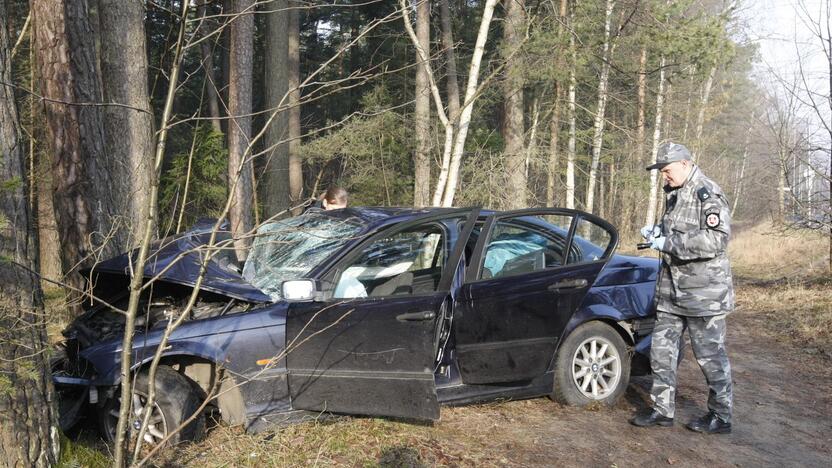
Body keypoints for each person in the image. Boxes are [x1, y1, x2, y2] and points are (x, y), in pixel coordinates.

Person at [629, 141, 735, 434]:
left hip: (704, 294)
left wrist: (669, 243)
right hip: (671, 292)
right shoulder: (674, 193)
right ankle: (662, 410)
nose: (664, 176)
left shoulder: (707, 193)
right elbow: (676, 229)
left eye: (667, 170)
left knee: (710, 357)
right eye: (661, 171)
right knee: (661, 352)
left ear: (686, 164)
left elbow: (716, 240)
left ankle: (721, 416)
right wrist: (657, 233)